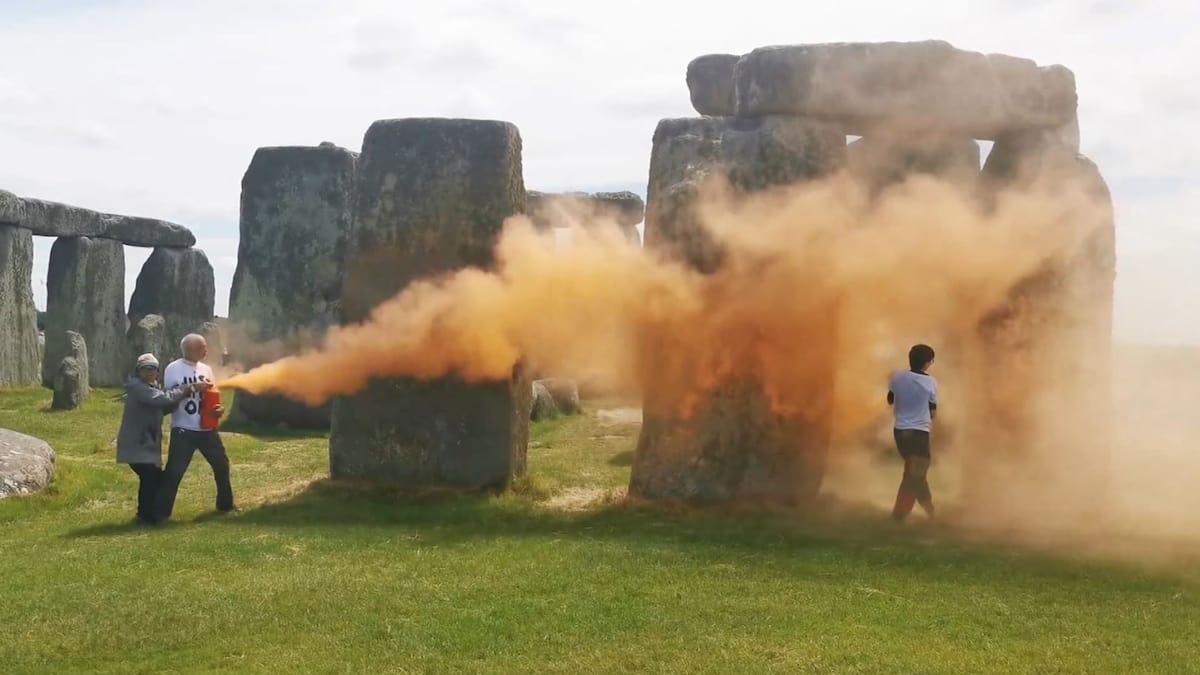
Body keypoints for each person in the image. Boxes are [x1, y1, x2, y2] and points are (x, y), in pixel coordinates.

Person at [116, 353, 206, 525]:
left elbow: (162, 406)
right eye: (146, 368)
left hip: (146, 443)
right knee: (150, 478)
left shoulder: (150, 387)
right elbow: (163, 399)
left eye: (153, 369)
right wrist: (189, 388)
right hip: (138, 444)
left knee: (152, 478)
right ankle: (146, 516)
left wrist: (180, 397)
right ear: (139, 370)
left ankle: (147, 514)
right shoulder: (138, 388)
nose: (150, 372)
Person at [155, 334, 235, 521]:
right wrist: (192, 387)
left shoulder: (207, 369)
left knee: (222, 465)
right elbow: (169, 397)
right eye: (202, 348)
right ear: (190, 349)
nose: (206, 351)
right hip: (184, 429)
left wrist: (218, 409)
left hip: (207, 429)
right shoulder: (173, 368)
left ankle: (225, 506)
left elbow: (213, 396)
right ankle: (161, 514)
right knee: (174, 472)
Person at [887, 343, 938, 523]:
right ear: (926, 362)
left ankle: (930, 511)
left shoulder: (897, 376)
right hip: (919, 433)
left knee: (916, 473)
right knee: (914, 475)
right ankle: (899, 516)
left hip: (900, 432)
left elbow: (890, 399)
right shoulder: (930, 382)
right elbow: (932, 411)